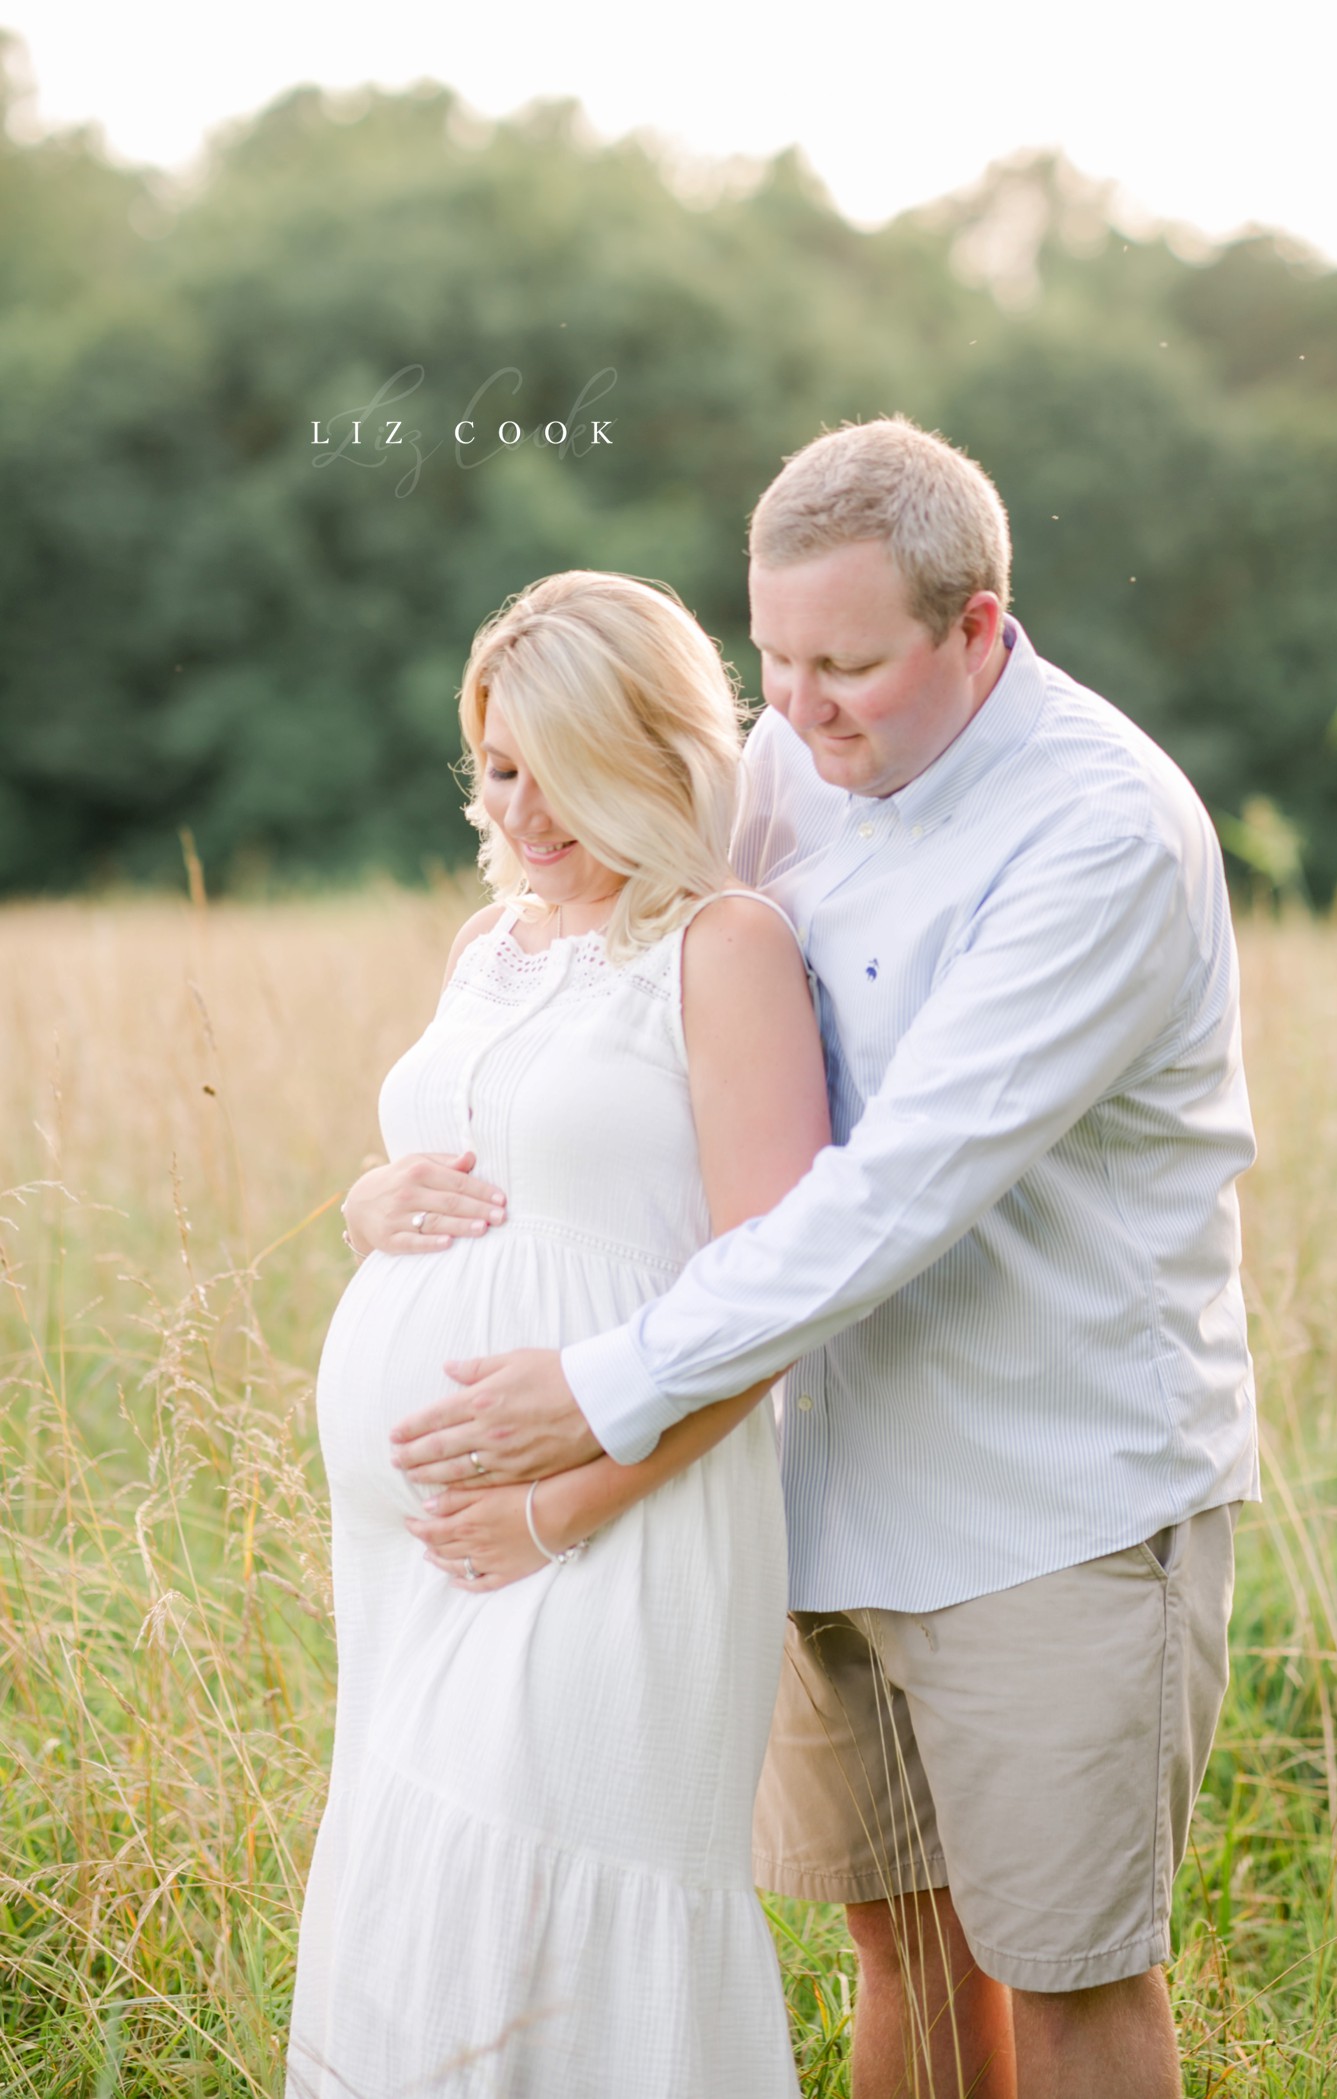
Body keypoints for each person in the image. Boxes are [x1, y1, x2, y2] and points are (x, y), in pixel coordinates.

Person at [392, 417, 1261, 2099]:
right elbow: (641, 989)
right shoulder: (798, 758)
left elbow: (893, 1195)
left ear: (979, 628)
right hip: (814, 1483)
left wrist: (596, 1397)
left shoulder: (1097, 837)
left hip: (1054, 1504)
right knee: (906, 1960)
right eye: (772, 660)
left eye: (847, 665)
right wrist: (403, 1176)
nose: (795, 712)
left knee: (1072, 1980)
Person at [287, 570, 830, 2098]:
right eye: (500, 762)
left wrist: (560, 1504)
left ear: (658, 750)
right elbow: (481, 1164)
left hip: (614, 1521)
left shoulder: (722, 947)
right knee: (427, 1904)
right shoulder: (497, 944)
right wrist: (368, 1200)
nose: (523, 808)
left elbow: (777, 1290)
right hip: (427, 1552)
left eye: (562, 766)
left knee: (560, 1897)